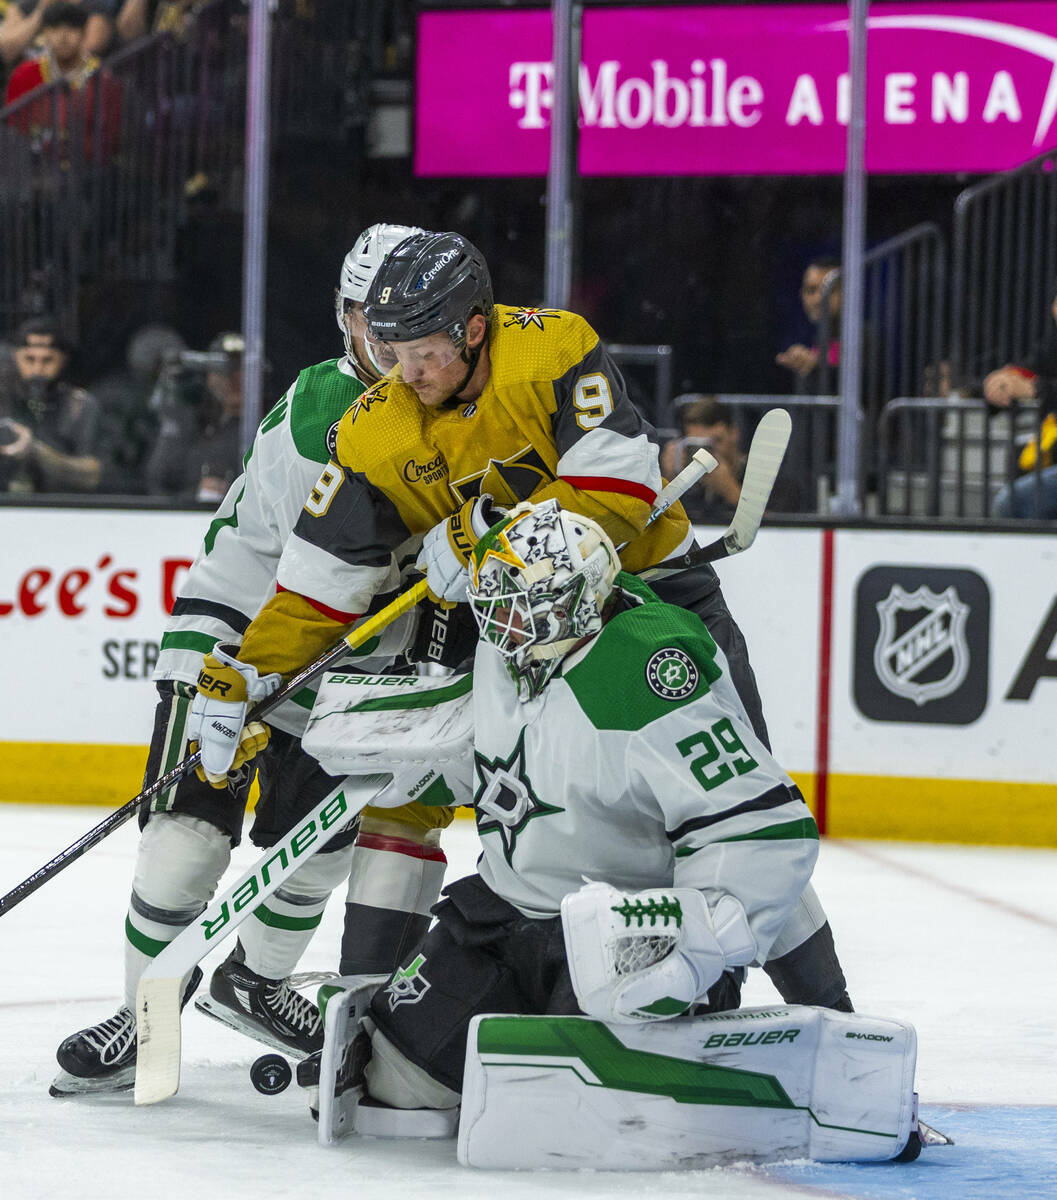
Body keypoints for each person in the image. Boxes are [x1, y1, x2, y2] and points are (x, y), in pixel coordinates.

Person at [188, 230, 852, 1019]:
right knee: (536, 824)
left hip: (654, 600)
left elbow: (616, 489)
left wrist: (476, 534)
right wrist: (249, 672)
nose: (408, 374)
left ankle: (827, 1014)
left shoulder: (554, 350)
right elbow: (316, 586)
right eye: (392, 353)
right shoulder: (375, 428)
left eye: (425, 353)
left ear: (473, 327)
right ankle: (375, 1013)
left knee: (725, 815)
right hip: (519, 637)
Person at [50, 222, 447, 1098]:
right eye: (373, 325)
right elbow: (336, 569)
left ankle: (251, 982)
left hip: (348, 662)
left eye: (409, 327)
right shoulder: (325, 413)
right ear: (346, 320)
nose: (392, 347)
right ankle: (143, 1010)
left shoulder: (447, 401)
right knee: (185, 844)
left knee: (316, 847)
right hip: (240, 641)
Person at [328, 500, 820, 1117]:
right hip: (504, 911)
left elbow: (761, 830)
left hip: (624, 928)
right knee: (396, 1085)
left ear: (579, 599)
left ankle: (806, 1024)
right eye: (495, 600)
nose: (502, 621)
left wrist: (699, 945)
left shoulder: (646, 671)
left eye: (520, 603)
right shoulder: (509, 645)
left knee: (576, 1111)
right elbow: (500, 754)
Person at [0, 316, 105, 492]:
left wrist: (35, 451)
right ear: (15, 357)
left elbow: (92, 475)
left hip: (60, 505)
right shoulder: (4, 401)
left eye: (47, 360)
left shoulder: (78, 406)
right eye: (29, 359)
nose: (38, 369)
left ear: (63, 360)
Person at [143, 330, 249, 502]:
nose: (232, 381)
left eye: (241, 372)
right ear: (209, 377)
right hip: (185, 519)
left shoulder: (265, 428)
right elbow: (157, 482)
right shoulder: (190, 423)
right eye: (223, 372)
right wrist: (195, 496)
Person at [662, 394, 802, 522]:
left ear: (734, 433)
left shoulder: (769, 478)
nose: (707, 453)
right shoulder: (684, 483)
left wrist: (732, 492)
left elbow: (782, 531)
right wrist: (669, 482)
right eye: (697, 445)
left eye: (715, 442)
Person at [983, 285, 1057, 520]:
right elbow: (1027, 369)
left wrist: (1036, 389)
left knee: (1012, 503)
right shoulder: (1053, 345)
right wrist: (996, 383)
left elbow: (1036, 385)